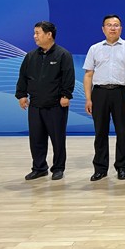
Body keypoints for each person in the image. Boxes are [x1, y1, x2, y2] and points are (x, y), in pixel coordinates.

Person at [83, 14, 125, 181]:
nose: (113, 28)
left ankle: (122, 168)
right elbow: (88, 75)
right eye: (109, 25)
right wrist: (88, 98)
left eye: (116, 25)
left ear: (121, 28)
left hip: (122, 93)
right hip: (100, 93)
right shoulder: (94, 48)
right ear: (103, 29)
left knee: (122, 132)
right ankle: (100, 168)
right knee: (100, 132)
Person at [15, 21, 75, 181]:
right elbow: (23, 77)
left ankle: (58, 168)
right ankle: (39, 168)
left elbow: (68, 77)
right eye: (34, 33)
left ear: (49, 35)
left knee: (57, 139)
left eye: (38, 33)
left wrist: (66, 95)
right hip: (35, 104)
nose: (35, 36)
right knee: (36, 139)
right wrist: (21, 95)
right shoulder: (30, 56)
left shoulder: (63, 55)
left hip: (56, 105)